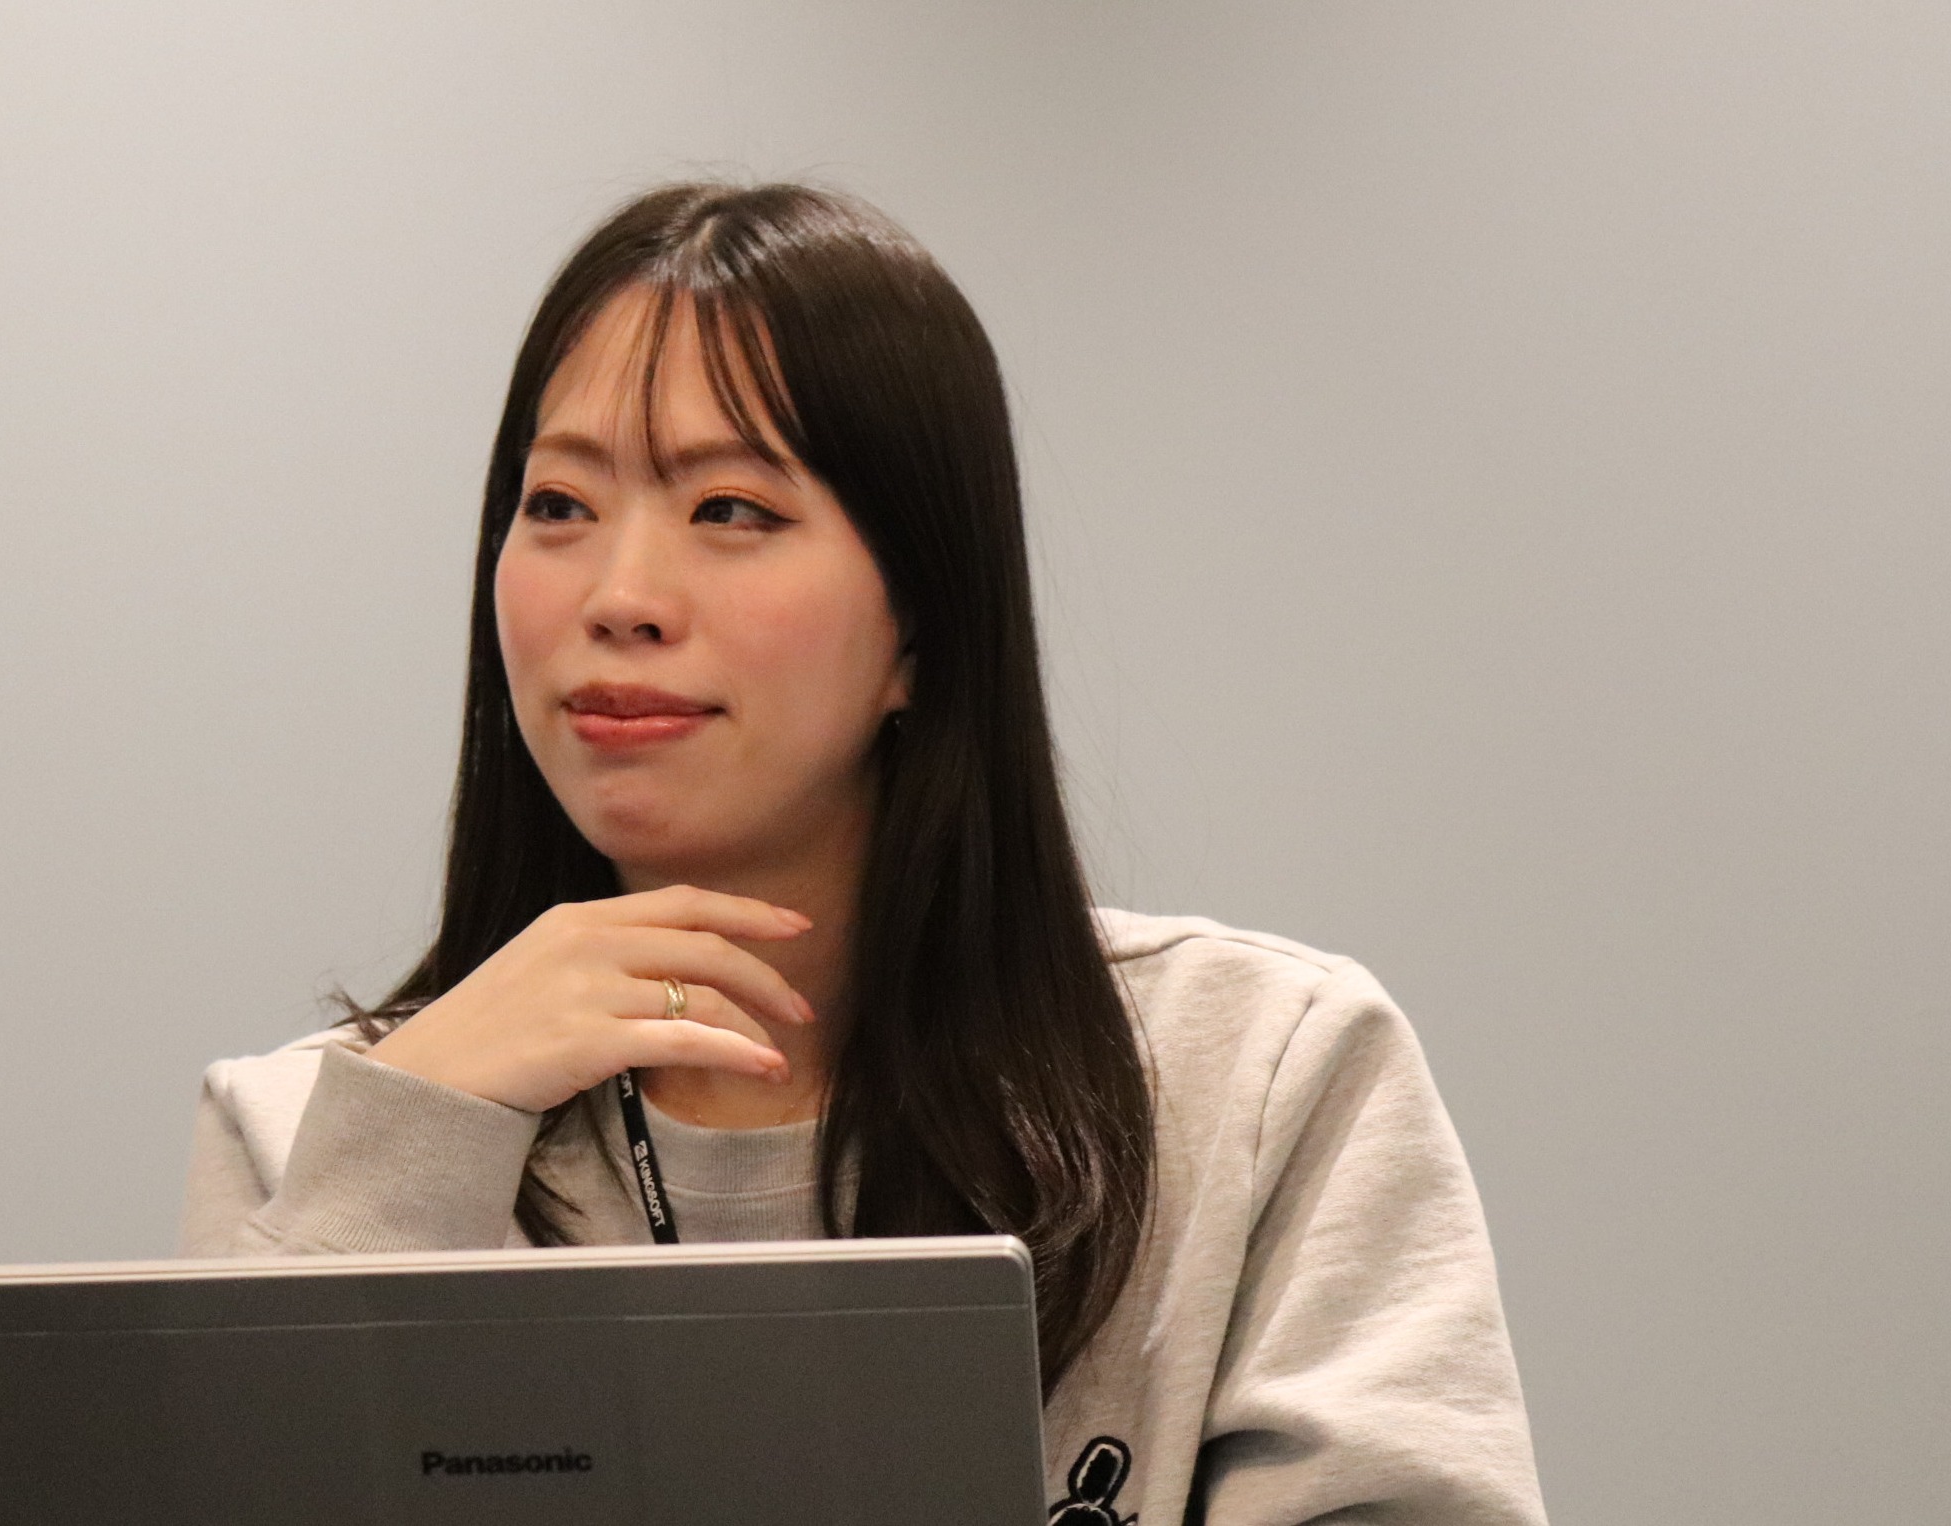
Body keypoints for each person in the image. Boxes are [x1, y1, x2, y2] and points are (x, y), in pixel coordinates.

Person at [179, 182, 1548, 1525]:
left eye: (730, 509)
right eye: (556, 505)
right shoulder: (311, 1129)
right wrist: (407, 1151)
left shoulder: (1260, 1078)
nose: (617, 597)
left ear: (921, 626)